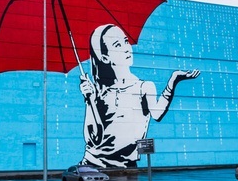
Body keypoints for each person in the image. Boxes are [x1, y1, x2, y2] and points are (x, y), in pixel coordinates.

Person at [79, 24, 200, 168]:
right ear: (105, 58)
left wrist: (173, 81)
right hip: (92, 164)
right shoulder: (98, 91)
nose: (126, 48)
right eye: (117, 45)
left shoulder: (144, 87)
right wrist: (89, 100)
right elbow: (92, 139)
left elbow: (157, 114)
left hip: (127, 166)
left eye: (126, 41)